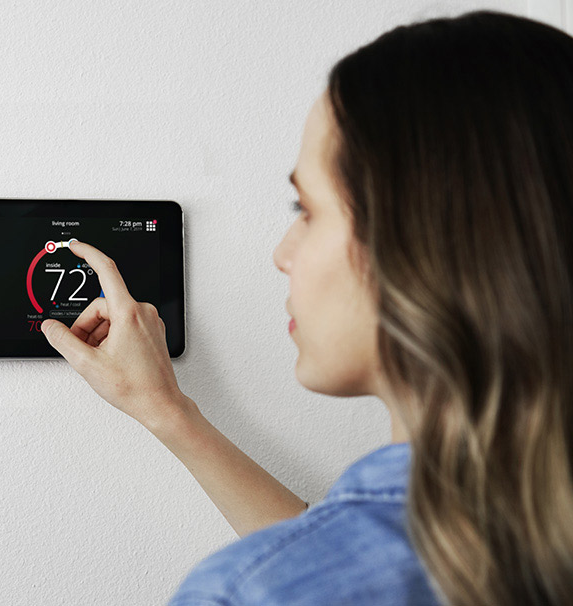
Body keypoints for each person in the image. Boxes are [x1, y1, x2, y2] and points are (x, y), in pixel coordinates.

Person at [41, 9, 573, 606]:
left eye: (305, 209)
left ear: (424, 242)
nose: (281, 254)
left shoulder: (241, 594)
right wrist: (167, 411)